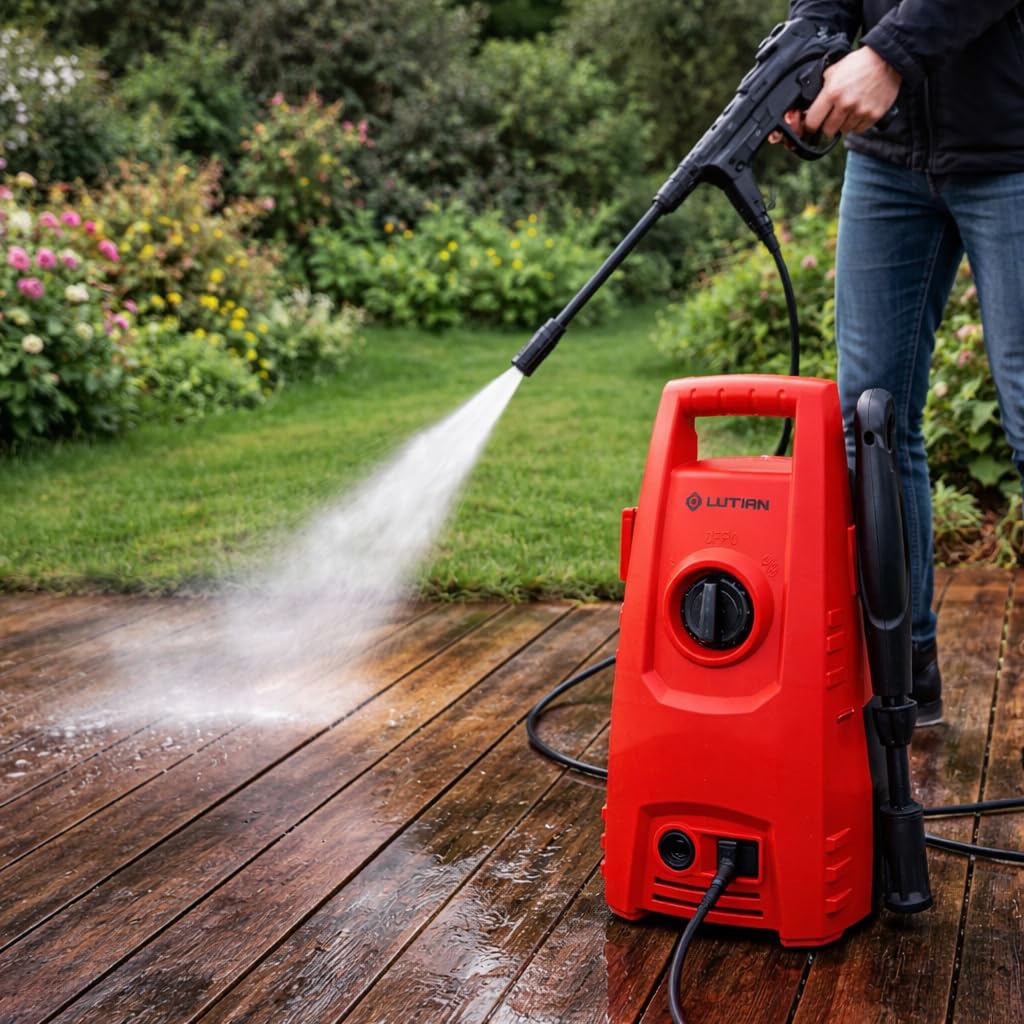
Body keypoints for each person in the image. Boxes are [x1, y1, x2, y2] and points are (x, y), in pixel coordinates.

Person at [782, 1, 1024, 725]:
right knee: (872, 423)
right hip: (887, 166)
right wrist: (799, 65)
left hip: (1013, 147)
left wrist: (886, 55)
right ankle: (903, 678)